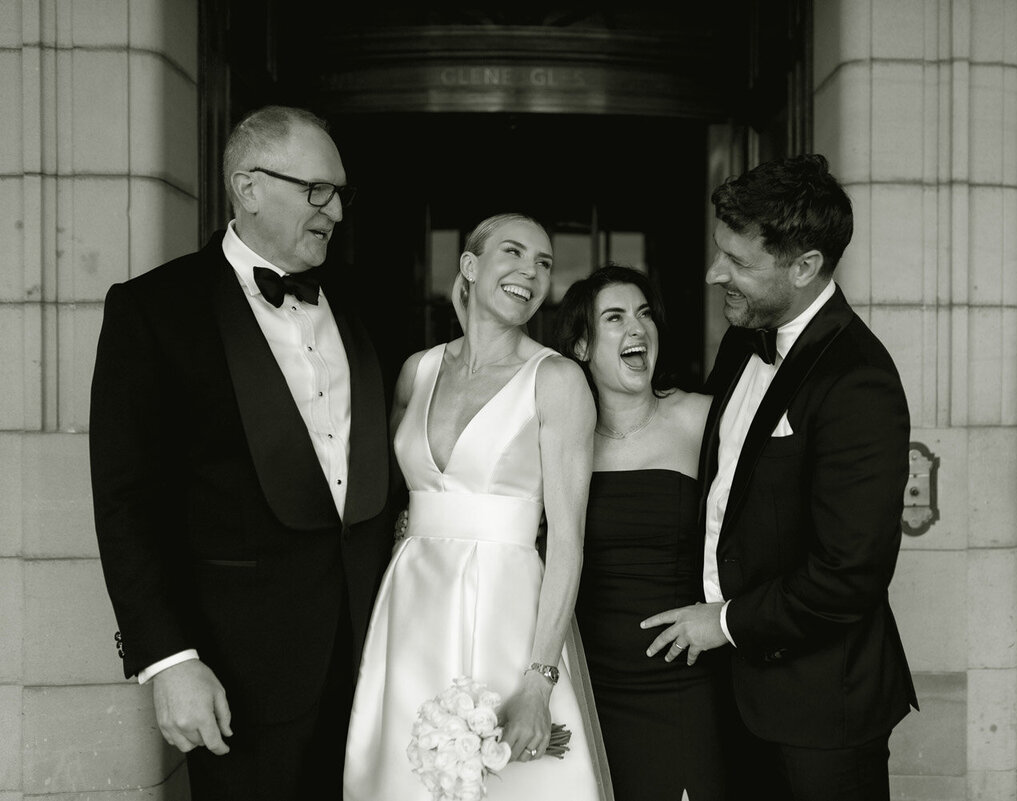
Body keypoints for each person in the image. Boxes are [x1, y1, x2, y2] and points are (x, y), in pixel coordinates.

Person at [89, 105, 397, 799]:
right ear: (248, 186)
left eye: (341, 192)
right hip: (238, 674)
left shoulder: (365, 304)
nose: (336, 211)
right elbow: (126, 500)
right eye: (316, 190)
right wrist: (168, 659)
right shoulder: (153, 309)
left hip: (372, 659)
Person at [640, 154, 918, 800]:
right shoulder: (745, 337)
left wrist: (723, 622)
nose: (715, 274)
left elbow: (849, 573)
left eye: (738, 263)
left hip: (819, 710)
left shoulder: (860, 381)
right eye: (720, 254)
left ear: (805, 266)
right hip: (733, 691)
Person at [343, 213, 612, 800]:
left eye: (544, 262)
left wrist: (540, 681)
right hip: (410, 609)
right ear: (469, 266)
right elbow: (387, 500)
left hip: (508, 612)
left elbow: (568, 540)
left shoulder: (557, 381)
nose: (531, 272)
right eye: (512, 253)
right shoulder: (417, 371)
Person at [556, 265, 727, 801]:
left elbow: (762, 528)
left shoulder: (701, 419)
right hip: (588, 679)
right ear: (582, 346)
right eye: (615, 317)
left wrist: (724, 613)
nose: (637, 328)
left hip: (682, 674)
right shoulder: (557, 438)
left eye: (644, 314)